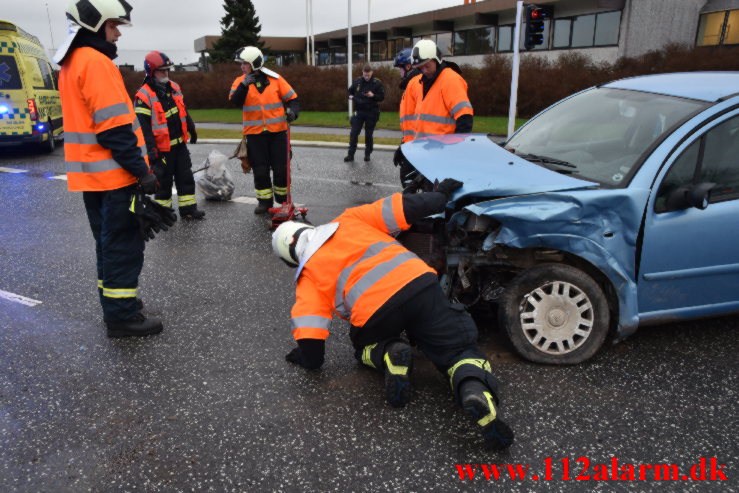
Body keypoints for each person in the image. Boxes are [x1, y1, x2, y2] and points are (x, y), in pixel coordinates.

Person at [271, 181, 515, 450]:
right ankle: (475, 391)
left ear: (291, 259)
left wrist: (303, 357)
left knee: (364, 348)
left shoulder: (308, 277)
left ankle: (390, 353)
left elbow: (312, 342)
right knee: (457, 349)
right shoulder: (349, 220)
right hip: (419, 284)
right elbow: (405, 207)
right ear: (308, 229)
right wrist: (440, 195)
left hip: (376, 315)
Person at [53, 0, 163, 337]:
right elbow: (114, 127)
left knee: (107, 244)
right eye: (113, 26)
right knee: (123, 245)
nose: (117, 34)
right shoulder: (96, 63)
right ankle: (121, 316)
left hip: (93, 176)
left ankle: (115, 303)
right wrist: (142, 172)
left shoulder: (72, 63)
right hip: (116, 176)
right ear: (95, 25)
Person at [229, 46, 300, 214]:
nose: (242, 67)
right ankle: (264, 202)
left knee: (281, 169)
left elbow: (293, 99)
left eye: (245, 63)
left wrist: (293, 112)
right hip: (255, 135)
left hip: (278, 133)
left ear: (254, 63)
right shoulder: (240, 82)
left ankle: (283, 200)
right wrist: (244, 86)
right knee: (260, 170)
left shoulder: (276, 79)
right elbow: (235, 102)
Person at [394, 39, 474, 187]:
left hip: (442, 156)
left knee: (435, 202)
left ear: (436, 59)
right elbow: (417, 123)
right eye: (420, 68)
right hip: (423, 154)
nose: (424, 70)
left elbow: (465, 118)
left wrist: (455, 152)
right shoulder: (421, 83)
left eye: (427, 66)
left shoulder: (450, 80)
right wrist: (405, 146)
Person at [135, 51, 204, 220]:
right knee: (164, 183)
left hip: (179, 145)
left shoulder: (174, 87)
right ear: (151, 71)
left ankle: (188, 210)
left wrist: (191, 128)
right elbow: (143, 127)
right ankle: (162, 213)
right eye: (162, 70)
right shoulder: (143, 96)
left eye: (167, 70)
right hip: (161, 149)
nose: (166, 73)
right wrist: (151, 150)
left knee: (186, 178)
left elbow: (183, 111)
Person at [393, 48, 421, 187]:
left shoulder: (416, 84)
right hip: (412, 145)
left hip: (418, 147)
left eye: (400, 68)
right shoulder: (411, 85)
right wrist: (403, 146)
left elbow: (422, 119)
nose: (400, 72)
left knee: (411, 186)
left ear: (408, 66)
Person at [344, 64, 384, 163]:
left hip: (371, 112)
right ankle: (350, 155)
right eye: (365, 75)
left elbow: (381, 97)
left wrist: (373, 95)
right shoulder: (357, 81)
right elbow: (349, 92)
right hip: (359, 111)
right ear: (362, 72)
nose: (366, 77)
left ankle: (367, 154)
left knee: (368, 135)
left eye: (368, 75)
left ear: (372, 73)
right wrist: (351, 97)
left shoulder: (377, 83)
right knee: (354, 133)